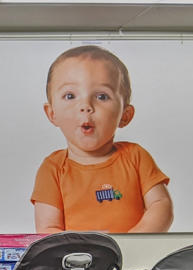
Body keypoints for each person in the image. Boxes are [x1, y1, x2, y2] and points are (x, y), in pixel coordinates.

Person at [32, 45, 173, 234]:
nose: (86, 106)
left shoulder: (135, 157)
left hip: (134, 259)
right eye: (70, 95)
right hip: (78, 260)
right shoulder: (53, 168)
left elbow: (161, 206)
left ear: (125, 115)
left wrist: (132, 242)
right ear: (52, 113)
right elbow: (48, 228)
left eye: (101, 96)